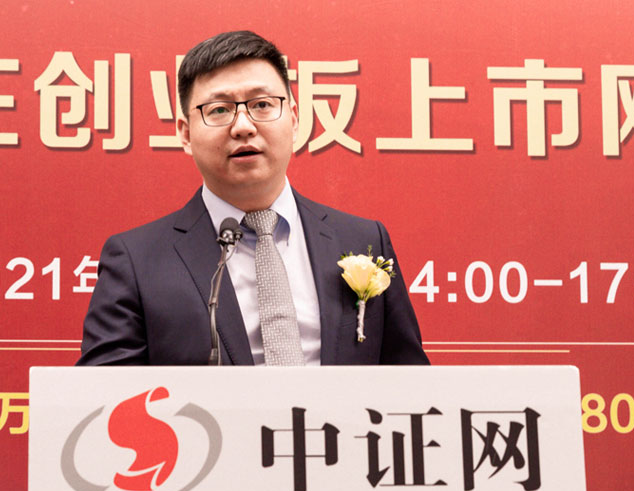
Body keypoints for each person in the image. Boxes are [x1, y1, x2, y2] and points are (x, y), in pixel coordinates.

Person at [77, 31, 429, 366]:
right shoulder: (137, 262)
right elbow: (104, 396)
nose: (243, 126)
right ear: (185, 134)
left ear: (294, 119)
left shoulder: (363, 240)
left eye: (262, 104)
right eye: (219, 110)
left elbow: (411, 382)